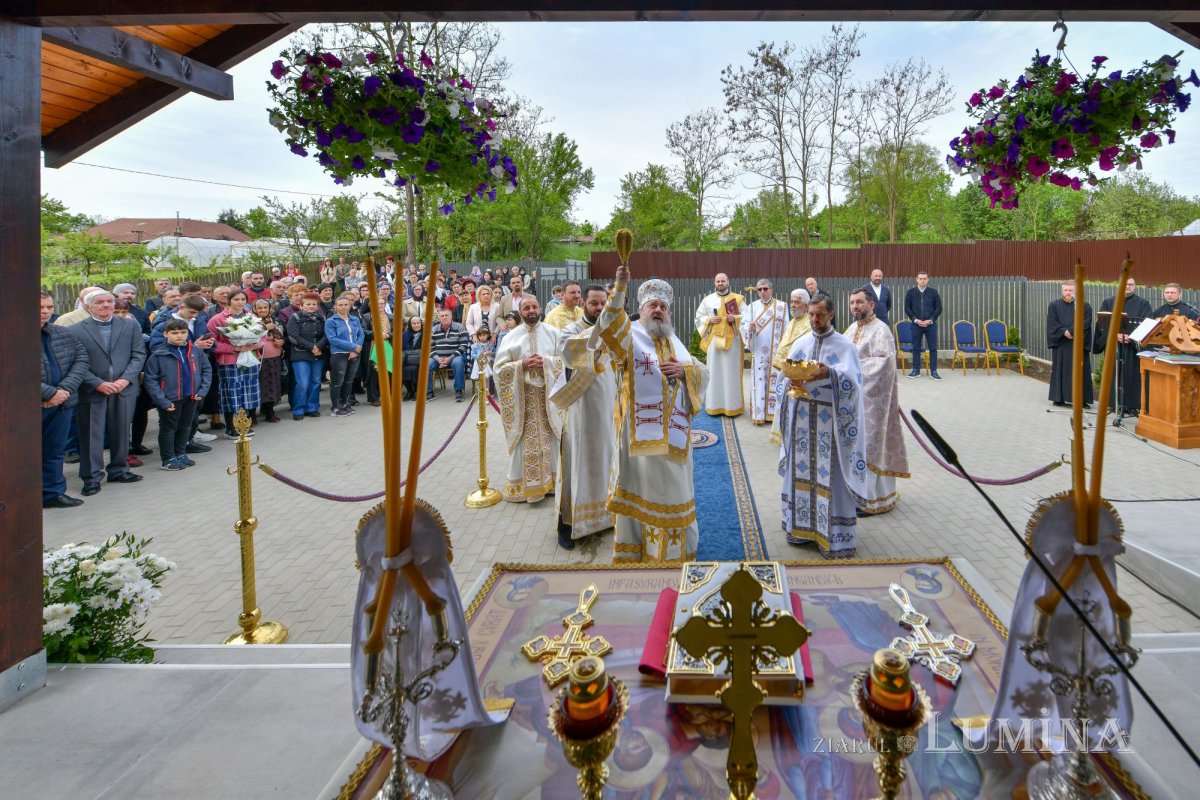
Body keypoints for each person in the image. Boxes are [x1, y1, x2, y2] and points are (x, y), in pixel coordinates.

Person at [591, 269, 708, 563]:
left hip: (675, 440)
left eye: (663, 306)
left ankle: (670, 554)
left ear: (668, 312)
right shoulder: (628, 335)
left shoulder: (673, 339)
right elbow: (606, 325)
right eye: (652, 305)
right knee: (639, 490)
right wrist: (619, 288)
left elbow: (702, 371)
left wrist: (686, 372)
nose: (658, 310)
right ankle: (636, 551)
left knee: (674, 491)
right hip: (637, 438)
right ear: (641, 310)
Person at [776, 294, 868, 559]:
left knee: (831, 479)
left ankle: (834, 537)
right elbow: (782, 381)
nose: (815, 319)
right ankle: (802, 529)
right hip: (803, 423)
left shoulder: (845, 347)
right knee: (802, 473)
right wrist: (790, 384)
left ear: (831, 315)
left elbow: (855, 388)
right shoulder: (801, 343)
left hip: (832, 427)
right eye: (812, 314)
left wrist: (831, 374)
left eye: (820, 315)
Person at [550, 285, 617, 550]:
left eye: (603, 304)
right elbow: (570, 354)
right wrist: (602, 328)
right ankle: (568, 523)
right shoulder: (571, 331)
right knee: (576, 463)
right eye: (594, 303)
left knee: (605, 461)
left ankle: (605, 517)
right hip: (580, 411)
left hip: (607, 409)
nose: (599, 308)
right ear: (583, 305)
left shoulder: (613, 331)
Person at [69, 289, 147, 496]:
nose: (105, 305)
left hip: (124, 388)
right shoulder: (75, 330)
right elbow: (75, 362)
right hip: (92, 390)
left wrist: (125, 379)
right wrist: (96, 383)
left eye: (109, 301)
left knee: (122, 430)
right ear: (87, 306)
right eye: (99, 302)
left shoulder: (130, 325)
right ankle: (91, 477)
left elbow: (139, 354)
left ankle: (120, 469)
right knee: (91, 435)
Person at [493, 294, 565, 503]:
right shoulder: (511, 337)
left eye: (534, 307)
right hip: (523, 400)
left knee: (552, 441)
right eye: (527, 308)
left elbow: (566, 362)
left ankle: (553, 482)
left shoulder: (554, 333)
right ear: (520, 312)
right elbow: (498, 370)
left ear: (540, 309)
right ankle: (524, 486)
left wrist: (547, 363)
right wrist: (521, 365)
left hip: (549, 398)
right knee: (525, 445)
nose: (531, 311)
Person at [844, 288, 910, 515]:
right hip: (853, 402)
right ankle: (854, 494)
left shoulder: (881, 330)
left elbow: (884, 366)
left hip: (874, 403)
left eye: (859, 302)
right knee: (854, 447)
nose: (855, 306)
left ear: (871, 305)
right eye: (852, 303)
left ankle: (871, 499)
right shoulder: (851, 329)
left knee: (870, 447)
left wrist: (850, 370)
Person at [40, 292, 90, 508]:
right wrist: (48, 393)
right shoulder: (10, 336)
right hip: (28, 406)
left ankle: (53, 493)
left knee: (54, 450)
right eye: (40, 307)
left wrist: (62, 391)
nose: (45, 311)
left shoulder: (62, 333)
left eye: (49, 307)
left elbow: (81, 360)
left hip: (62, 403)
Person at [145, 319, 212, 470]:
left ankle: (180, 453)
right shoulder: (158, 355)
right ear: (165, 334)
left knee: (185, 426)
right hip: (170, 399)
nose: (179, 336)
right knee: (168, 428)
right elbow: (150, 380)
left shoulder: (196, 351)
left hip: (192, 396)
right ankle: (168, 458)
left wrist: (202, 390)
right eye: (174, 333)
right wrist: (162, 401)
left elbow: (206, 370)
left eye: (183, 332)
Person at [207, 289, 266, 437]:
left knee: (248, 390)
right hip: (230, 361)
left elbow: (262, 335)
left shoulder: (251, 316)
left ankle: (243, 424)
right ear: (229, 301)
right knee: (232, 392)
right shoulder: (218, 319)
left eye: (242, 299)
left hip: (250, 358)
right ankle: (231, 426)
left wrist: (257, 344)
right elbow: (211, 343)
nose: (240, 302)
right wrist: (234, 348)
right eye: (236, 299)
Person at [1093, 277, 1154, 416]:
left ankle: (1132, 405)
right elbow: (1101, 324)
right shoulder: (1108, 302)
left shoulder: (1143, 304)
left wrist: (1131, 337)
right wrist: (1115, 335)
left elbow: (1147, 325)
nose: (1127, 286)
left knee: (1133, 375)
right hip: (1114, 346)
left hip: (1132, 348)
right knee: (1114, 374)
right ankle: (1114, 404)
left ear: (1135, 286)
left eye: (1130, 284)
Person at [694, 272, 745, 416]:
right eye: (718, 281)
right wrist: (709, 320)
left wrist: (735, 319)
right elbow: (698, 317)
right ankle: (714, 405)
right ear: (715, 283)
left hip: (732, 343)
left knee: (731, 372)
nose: (720, 283)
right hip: (714, 343)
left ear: (728, 282)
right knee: (714, 372)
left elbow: (746, 317)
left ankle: (732, 406)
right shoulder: (708, 300)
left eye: (723, 281)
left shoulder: (738, 299)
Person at [769, 288, 813, 443]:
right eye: (792, 302)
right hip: (786, 372)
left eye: (797, 302)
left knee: (796, 407)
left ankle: (793, 438)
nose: (793, 305)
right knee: (784, 405)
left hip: (800, 374)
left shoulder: (810, 324)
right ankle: (783, 435)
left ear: (806, 305)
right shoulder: (793, 322)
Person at [741, 278, 788, 425]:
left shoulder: (782, 307)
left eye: (765, 289)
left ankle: (773, 414)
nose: (762, 292)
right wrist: (749, 328)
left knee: (775, 380)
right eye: (759, 289)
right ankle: (759, 413)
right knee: (759, 380)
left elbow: (787, 329)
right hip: (759, 350)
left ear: (771, 289)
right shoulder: (752, 307)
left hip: (776, 351)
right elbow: (743, 325)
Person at [1047, 282, 1094, 408]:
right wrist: (1064, 332)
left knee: (1080, 372)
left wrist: (1072, 331)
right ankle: (1059, 398)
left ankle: (1081, 399)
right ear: (1062, 291)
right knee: (1060, 371)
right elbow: (1052, 322)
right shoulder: (1054, 305)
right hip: (1061, 343)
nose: (1068, 292)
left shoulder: (1085, 306)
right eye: (1065, 290)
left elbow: (1086, 323)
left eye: (1070, 290)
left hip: (1077, 344)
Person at [286, 292, 329, 420]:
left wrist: (319, 346)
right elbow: (293, 336)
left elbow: (326, 335)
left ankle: (312, 407)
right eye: (308, 304)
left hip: (318, 354)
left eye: (314, 304)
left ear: (318, 306)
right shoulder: (295, 318)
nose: (311, 306)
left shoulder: (321, 318)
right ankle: (299, 409)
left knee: (315, 382)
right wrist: (312, 347)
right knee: (302, 384)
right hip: (300, 355)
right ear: (301, 305)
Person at [325, 294, 365, 417]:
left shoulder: (355, 319)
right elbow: (333, 339)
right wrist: (353, 347)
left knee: (349, 381)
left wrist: (356, 349)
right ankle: (336, 407)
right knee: (338, 381)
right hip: (339, 354)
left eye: (346, 305)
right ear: (335, 307)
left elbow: (361, 334)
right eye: (340, 305)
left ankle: (346, 404)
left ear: (349, 306)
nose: (343, 307)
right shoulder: (331, 321)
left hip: (354, 354)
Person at [904, 270, 942, 379]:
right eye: (920, 278)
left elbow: (939, 308)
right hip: (916, 325)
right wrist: (915, 320)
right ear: (917, 279)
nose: (922, 281)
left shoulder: (933, 292)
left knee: (933, 348)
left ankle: (934, 371)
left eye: (924, 279)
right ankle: (916, 370)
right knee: (916, 347)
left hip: (931, 325)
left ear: (928, 280)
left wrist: (931, 320)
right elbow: (907, 308)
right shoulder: (911, 292)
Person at [427, 307, 470, 401]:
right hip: (438, 358)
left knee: (458, 363)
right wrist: (438, 359)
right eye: (442, 316)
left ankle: (459, 391)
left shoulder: (460, 327)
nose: (444, 317)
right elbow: (430, 348)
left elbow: (463, 346)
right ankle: (429, 392)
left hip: (455, 356)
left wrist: (450, 358)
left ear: (451, 317)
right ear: (439, 318)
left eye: (446, 315)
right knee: (426, 365)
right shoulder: (433, 330)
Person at [253, 299, 285, 422]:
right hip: (259, 359)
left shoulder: (275, 320)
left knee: (272, 384)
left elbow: (283, 334)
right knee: (259, 385)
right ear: (255, 309)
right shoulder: (251, 321)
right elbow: (251, 336)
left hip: (274, 357)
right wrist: (265, 328)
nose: (263, 310)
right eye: (259, 308)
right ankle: (252, 415)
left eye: (265, 307)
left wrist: (281, 341)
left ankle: (269, 412)